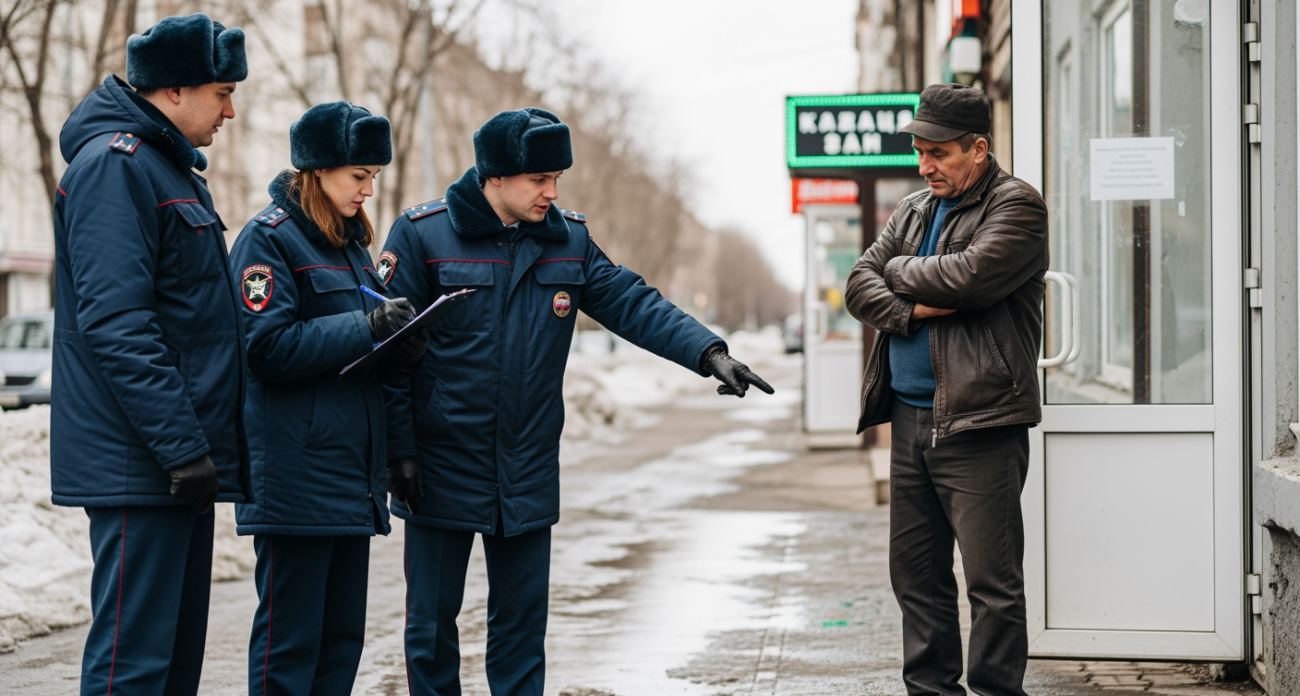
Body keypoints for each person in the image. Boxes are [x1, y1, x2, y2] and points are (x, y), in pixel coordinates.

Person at [380, 107, 773, 695]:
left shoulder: (568, 239)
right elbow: (388, 353)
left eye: (557, 178)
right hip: (439, 465)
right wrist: (400, 449)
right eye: (539, 180)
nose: (552, 192)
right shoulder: (422, 236)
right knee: (431, 631)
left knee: (520, 631)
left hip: (526, 465)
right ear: (495, 177)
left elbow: (633, 303)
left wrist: (708, 352)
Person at [49, 13, 247, 695]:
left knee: (170, 665)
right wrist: (180, 448)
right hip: (142, 461)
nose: (230, 109)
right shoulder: (116, 167)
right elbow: (117, 322)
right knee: (132, 668)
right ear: (172, 92)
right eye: (221, 93)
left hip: (173, 457)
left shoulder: (169, 170)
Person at [845, 83, 1048, 696]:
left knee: (992, 585)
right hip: (909, 421)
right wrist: (913, 309)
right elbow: (859, 284)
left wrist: (899, 274)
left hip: (981, 421)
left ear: (979, 149)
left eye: (938, 152)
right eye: (919, 151)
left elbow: (970, 278)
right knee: (917, 578)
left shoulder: (1017, 206)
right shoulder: (912, 210)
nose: (924, 164)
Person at [228, 102, 428, 695]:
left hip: (349, 477)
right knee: (289, 649)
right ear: (316, 170)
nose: (368, 190)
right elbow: (265, 350)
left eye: (373, 177)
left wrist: (402, 345)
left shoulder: (350, 247)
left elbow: (364, 365)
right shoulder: (268, 242)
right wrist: (367, 326)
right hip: (296, 477)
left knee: (341, 642)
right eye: (357, 176)